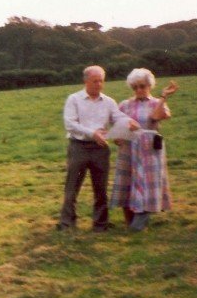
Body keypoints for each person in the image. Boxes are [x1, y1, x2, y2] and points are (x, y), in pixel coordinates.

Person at [59, 65, 139, 232]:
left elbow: (118, 117)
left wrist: (129, 122)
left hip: (100, 149)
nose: (99, 84)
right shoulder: (74, 99)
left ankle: (100, 224)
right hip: (78, 147)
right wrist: (92, 133)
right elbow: (70, 124)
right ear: (86, 81)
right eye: (95, 81)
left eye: (101, 81)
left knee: (101, 188)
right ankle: (67, 224)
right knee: (72, 187)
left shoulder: (108, 101)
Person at [109, 69, 179, 232]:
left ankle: (139, 223)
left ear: (149, 86)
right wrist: (117, 137)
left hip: (149, 148)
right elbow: (117, 124)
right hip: (129, 147)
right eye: (135, 87)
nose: (139, 90)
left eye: (142, 86)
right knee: (127, 183)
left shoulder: (156, 102)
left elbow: (155, 117)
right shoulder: (125, 105)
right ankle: (130, 222)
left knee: (148, 183)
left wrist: (163, 97)